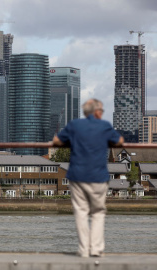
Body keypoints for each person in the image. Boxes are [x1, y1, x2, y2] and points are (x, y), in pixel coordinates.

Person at [53, 99, 124, 258]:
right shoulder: (104, 126)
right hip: (98, 176)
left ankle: (84, 250)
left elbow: (57, 141)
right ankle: (96, 249)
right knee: (98, 212)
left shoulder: (74, 125)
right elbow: (119, 141)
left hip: (77, 175)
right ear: (98, 112)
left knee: (81, 212)